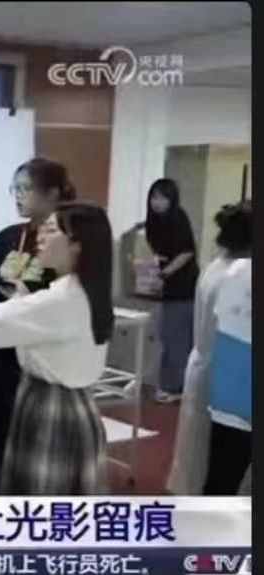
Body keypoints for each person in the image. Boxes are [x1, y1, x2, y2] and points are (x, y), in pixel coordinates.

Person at [0, 203, 114, 495]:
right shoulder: (84, 289)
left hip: (51, 410)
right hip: (71, 404)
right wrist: (25, 286)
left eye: (51, 230)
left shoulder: (60, 300)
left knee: (42, 499)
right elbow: (20, 313)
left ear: (76, 245)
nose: (40, 236)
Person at [0, 157, 75, 495]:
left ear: (52, 193)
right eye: (15, 188)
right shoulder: (15, 235)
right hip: (1, 354)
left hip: (40, 361)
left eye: (26, 189)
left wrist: (20, 295)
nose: (18, 195)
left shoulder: (67, 244)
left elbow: (48, 296)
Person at [167, 202, 251, 494]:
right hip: (228, 375)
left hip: (205, 366)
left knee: (197, 454)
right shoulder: (241, 276)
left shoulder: (218, 266)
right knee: (220, 463)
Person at [143, 178, 199, 403]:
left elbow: (187, 252)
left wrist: (164, 273)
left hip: (184, 285)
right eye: (154, 197)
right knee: (171, 337)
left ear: (172, 199)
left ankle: (175, 387)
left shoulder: (178, 217)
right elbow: (159, 253)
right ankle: (174, 385)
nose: (157, 202)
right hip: (167, 285)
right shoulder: (153, 222)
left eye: (162, 198)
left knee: (176, 338)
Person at [201, 255, 251, 495]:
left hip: (228, 393)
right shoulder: (239, 271)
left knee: (220, 480)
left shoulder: (236, 270)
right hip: (241, 396)